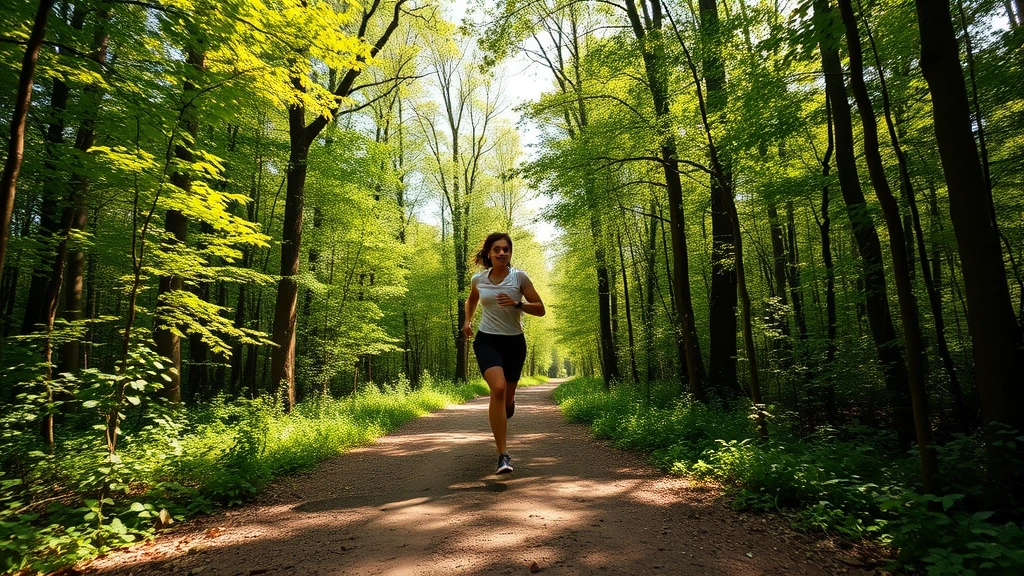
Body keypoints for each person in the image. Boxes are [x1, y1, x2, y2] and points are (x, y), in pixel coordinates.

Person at [463, 232, 545, 475]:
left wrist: (517, 304)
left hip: (514, 343)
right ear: (489, 253)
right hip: (487, 340)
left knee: (506, 399)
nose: (501, 253)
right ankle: (503, 455)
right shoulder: (478, 280)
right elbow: (472, 300)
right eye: (497, 249)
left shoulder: (519, 278)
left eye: (505, 250)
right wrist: (467, 321)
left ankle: (509, 401)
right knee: (497, 389)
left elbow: (540, 309)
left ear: (510, 253)